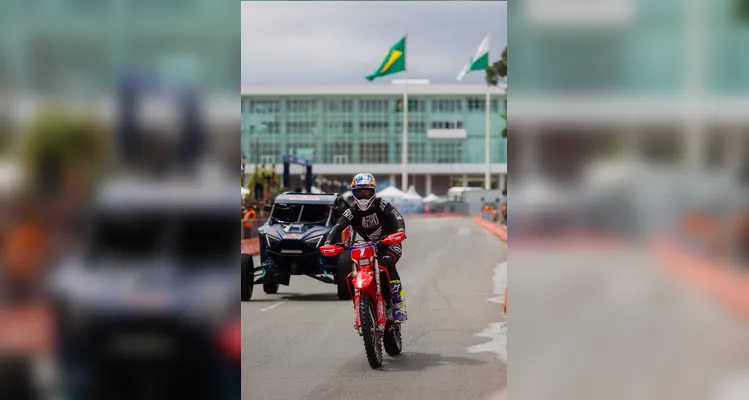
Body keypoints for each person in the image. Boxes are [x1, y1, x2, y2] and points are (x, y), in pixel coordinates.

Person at [324, 173, 408, 323]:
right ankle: (362, 303)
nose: (363, 196)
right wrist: (328, 242)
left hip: (390, 242)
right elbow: (337, 227)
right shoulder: (352, 211)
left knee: (387, 263)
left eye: (367, 192)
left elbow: (397, 217)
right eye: (359, 192)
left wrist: (400, 232)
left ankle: (398, 304)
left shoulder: (381, 204)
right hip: (369, 246)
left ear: (373, 192)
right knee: (356, 267)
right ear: (353, 193)